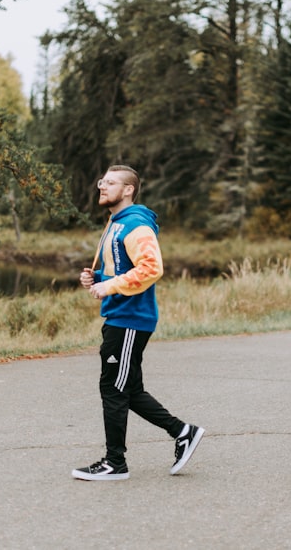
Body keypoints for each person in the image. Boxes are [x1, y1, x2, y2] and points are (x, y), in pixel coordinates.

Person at [72, 165, 204, 481]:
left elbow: (151, 268)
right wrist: (99, 278)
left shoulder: (135, 224)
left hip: (131, 318)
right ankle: (182, 431)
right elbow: (123, 267)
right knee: (127, 387)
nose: (102, 186)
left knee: (113, 387)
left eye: (111, 182)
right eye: (102, 181)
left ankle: (114, 463)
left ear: (129, 189)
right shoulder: (115, 223)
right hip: (121, 316)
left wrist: (109, 286)